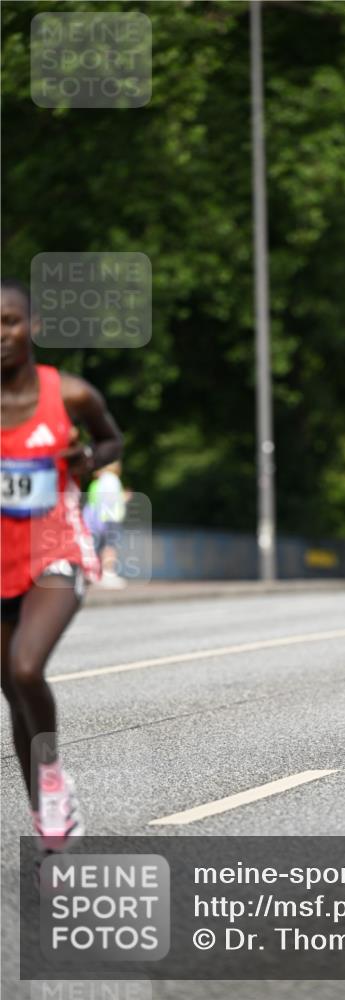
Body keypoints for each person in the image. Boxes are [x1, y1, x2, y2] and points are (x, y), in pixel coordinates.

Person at [1, 278, 123, 851]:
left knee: (27, 668)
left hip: (56, 549)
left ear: (35, 328)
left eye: (10, 322)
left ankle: (52, 785)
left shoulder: (69, 395)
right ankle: (49, 815)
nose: (1, 335)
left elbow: (112, 442)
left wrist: (86, 459)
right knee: (12, 691)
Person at [84, 461, 129, 588]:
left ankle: (97, 573)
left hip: (102, 519)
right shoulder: (111, 479)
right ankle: (108, 573)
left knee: (100, 546)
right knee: (110, 546)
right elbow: (110, 500)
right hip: (110, 518)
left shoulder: (100, 481)